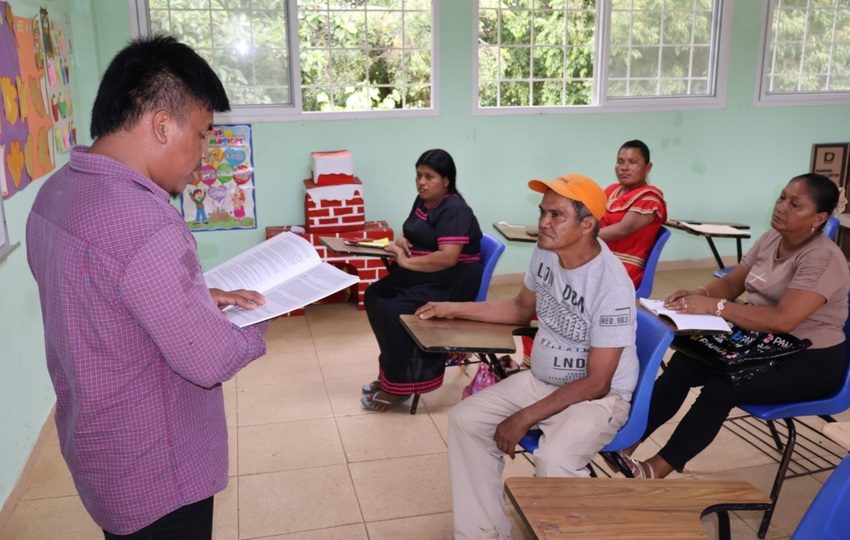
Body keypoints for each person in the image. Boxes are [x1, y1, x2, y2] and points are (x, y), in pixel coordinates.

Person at [26, 36, 269, 538]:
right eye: (202, 134)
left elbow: (106, 301)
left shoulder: (57, 193)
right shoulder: (146, 223)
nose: (203, 154)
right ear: (162, 124)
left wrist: (197, 298)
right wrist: (261, 317)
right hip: (158, 469)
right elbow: (210, 360)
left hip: (98, 451)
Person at [416, 174, 639, 539]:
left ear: (587, 225)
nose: (543, 223)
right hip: (542, 380)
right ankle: (483, 533)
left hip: (599, 398)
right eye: (543, 212)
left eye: (556, 215)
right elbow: (521, 308)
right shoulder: (545, 252)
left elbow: (598, 382)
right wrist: (452, 308)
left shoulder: (611, 284)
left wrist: (524, 418)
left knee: (555, 461)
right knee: (467, 420)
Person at [622, 173, 848, 479]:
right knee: (683, 364)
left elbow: (784, 320)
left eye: (795, 204)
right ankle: (626, 445)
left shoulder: (822, 258)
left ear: (819, 218)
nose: (781, 207)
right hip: (761, 343)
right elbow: (732, 281)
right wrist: (698, 295)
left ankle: (655, 468)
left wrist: (716, 308)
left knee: (726, 384)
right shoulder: (772, 239)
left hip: (808, 359)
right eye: (782, 197)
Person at [361, 149, 483, 411]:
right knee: (374, 295)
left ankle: (403, 384)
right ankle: (392, 376)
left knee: (391, 309)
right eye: (418, 175)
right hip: (427, 274)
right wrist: (403, 242)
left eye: (430, 177)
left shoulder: (455, 210)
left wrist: (405, 261)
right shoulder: (423, 200)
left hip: (451, 281)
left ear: (446, 180)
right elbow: (415, 234)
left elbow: (448, 257)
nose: (422, 182)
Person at [599, 139, 667, 287]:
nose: (624, 167)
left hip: (622, 270)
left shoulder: (650, 198)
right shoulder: (612, 190)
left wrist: (579, 236)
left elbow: (623, 229)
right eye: (620, 161)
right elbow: (590, 217)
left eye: (632, 162)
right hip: (600, 260)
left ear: (648, 167)